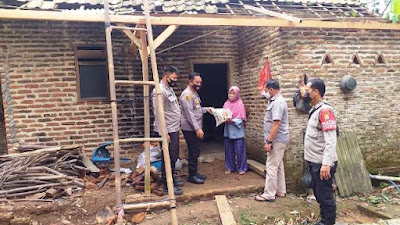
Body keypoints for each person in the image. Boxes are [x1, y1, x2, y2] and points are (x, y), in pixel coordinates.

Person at [303, 78, 338, 225]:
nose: (305, 94)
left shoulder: (325, 111)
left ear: (316, 92)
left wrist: (326, 164)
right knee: (319, 193)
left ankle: (328, 222)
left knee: (325, 195)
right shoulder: (315, 110)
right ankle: (324, 220)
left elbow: (331, 139)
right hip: (315, 161)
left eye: (308, 91)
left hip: (322, 164)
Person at [152, 66, 184, 195]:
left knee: (174, 157)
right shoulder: (158, 91)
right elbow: (158, 113)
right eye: (174, 78)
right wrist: (163, 132)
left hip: (173, 128)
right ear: (166, 76)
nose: (175, 80)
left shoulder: (169, 89)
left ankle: (172, 180)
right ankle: (167, 185)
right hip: (167, 130)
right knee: (168, 158)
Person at [255, 79, 289, 202]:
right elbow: (264, 95)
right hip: (279, 139)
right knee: (278, 165)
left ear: (271, 90)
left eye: (266, 90)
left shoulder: (278, 103)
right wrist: (261, 91)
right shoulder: (274, 100)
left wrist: (269, 141)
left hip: (276, 139)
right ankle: (280, 190)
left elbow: (276, 124)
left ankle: (269, 193)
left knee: (271, 166)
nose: (265, 92)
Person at [180, 72, 212, 184]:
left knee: (196, 151)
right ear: (190, 82)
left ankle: (195, 173)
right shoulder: (186, 95)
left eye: (200, 82)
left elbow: (196, 109)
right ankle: (192, 176)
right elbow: (189, 114)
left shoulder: (194, 94)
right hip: (190, 128)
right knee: (193, 151)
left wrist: (206, 109)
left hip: (194, 126)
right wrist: (197, 128)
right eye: (196, 82)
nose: (199, 84)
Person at [222, 86, 248, 175]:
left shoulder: (240, 104)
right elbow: (223, 114)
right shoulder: (226, 104)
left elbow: (241, 118)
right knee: (228, 150)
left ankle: (241, 168)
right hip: (228, 130)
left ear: (237, 94)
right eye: (230, 93)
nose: (231, 95)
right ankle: (229, 167)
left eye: (233, 93)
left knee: (240, 150)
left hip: (237, 131)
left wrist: (232, 120)